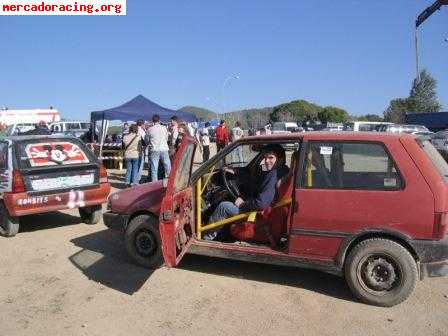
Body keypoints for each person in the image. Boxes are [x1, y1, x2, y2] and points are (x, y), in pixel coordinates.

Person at [204, 144, 289, 241]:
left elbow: (261, 204)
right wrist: (235, 171)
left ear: (281, 159)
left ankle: (207, 239)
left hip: (259, 215)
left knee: (223, 207)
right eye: (265, 157)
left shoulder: (273, 175)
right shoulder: (281, 170)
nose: (266, 161)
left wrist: (243, 204)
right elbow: (254, 177)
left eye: (271, 158)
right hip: (266, 210)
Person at [147, 114, 171, 182]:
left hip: (154, 149)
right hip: (164, 148)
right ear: (159, 120)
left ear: (152, 121)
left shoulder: (150, 129)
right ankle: (170, 181)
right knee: (167, 166)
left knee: (154, 168)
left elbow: (147, 140)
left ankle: (154, 183)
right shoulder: (164, 128)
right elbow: (166, 138)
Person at [135, 119, 147, 183]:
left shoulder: (134, 129)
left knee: (134, 165)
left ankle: (133, 179)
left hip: (133, 150)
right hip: (141, 149)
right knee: (140, 165)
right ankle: (138, 179)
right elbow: (145, 141)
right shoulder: (142, 131)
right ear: (142, 124)